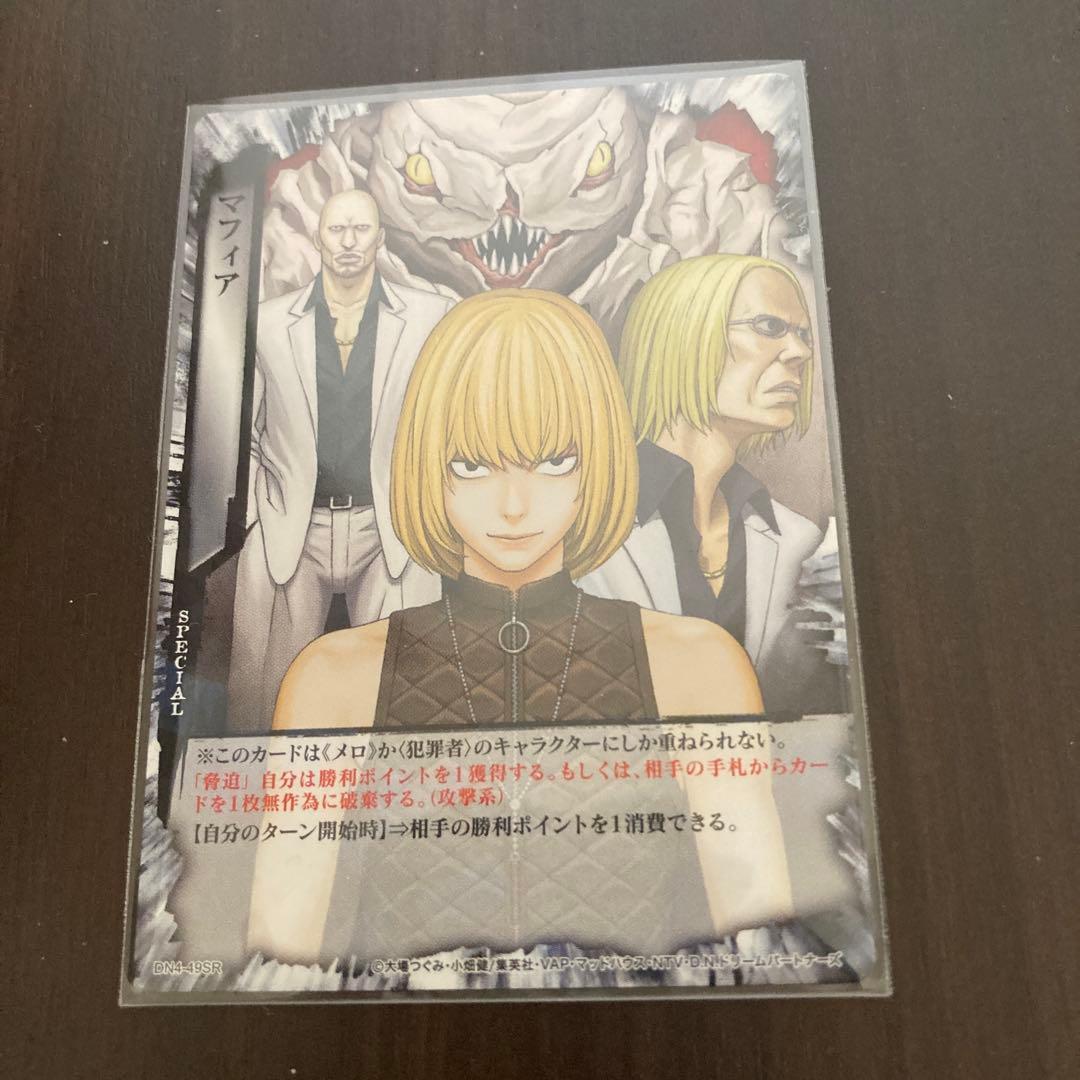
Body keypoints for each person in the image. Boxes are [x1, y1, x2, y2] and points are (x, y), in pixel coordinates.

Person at [247, 289, 793, 962]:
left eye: (555, 460)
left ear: (600, 458)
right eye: (471, 464)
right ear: (425, 463)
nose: (512, 505)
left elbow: (761, 945)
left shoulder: (699, 666)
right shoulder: (333, 678)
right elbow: (280, 953)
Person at [227, 189, 455, 731]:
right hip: (293, 527)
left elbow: (449, 422)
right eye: (337, 229)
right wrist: (261, 515)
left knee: (404, 697)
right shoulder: (267, 323)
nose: (349, 242)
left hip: (390, 527)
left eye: (361, 229)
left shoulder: (431, 316)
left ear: (380, 237)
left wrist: (429, 511)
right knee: (267, 700)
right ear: (318, 237)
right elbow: (242, 431)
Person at [578, 254, 830, 707]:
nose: (801, 353)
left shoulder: (799, 540)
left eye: (803, 334)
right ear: (682, 337)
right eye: (769, 326)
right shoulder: (572, 526)